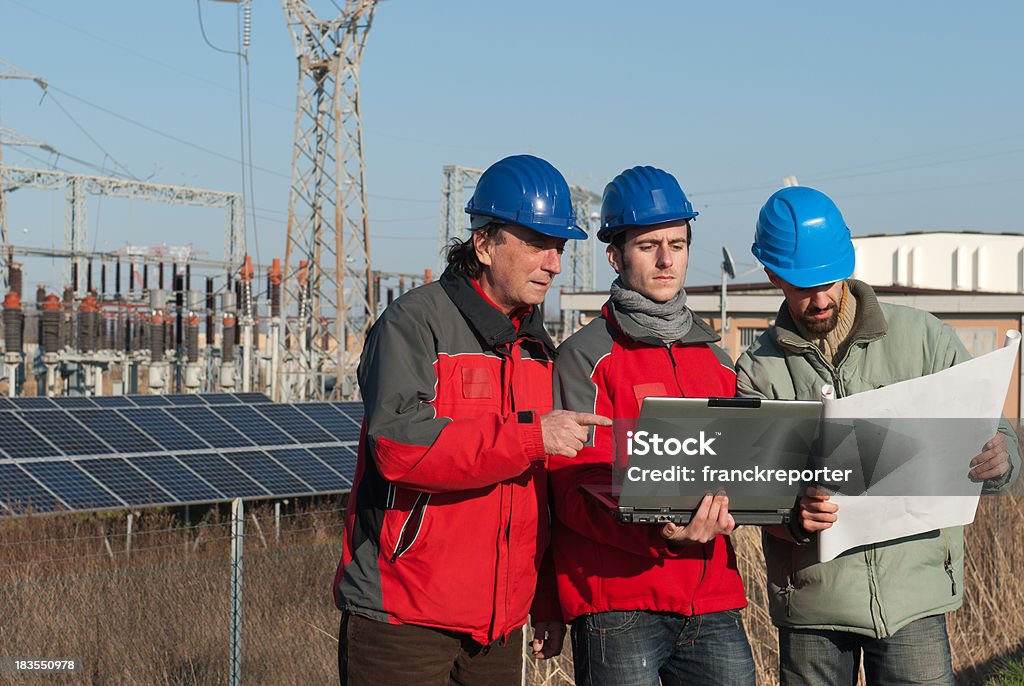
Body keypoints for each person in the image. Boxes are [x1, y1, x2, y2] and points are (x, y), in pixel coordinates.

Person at [332, 154, 612, 686]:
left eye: (559, 247)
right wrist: (530, 437)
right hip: (404, 620)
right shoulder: (414, 323)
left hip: (498, 630)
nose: (554, 263)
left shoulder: (535, 348)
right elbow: (399, 446)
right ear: (483, 244)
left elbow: (539, 493)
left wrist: (545, 599)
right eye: (536, 243)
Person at [735, 185, 1020, 685]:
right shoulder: (757, 371)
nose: (819, 298)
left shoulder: (924, 337)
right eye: (802, 285)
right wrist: (793, 513)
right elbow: (749, 490)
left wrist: (1004, 458)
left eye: (828, 280)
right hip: (811, 604)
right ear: (771, 274)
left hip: (913, 598)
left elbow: (991, 427)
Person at [550, 165, 756, 685]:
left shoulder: (718, 361)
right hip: (619, 603)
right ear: (615, 256)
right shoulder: (585, 358)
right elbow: (572, 490)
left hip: (710, 600)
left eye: (678, 244)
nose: (667, 260)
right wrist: (661, 532)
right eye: (648, 246)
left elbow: (743, 472)